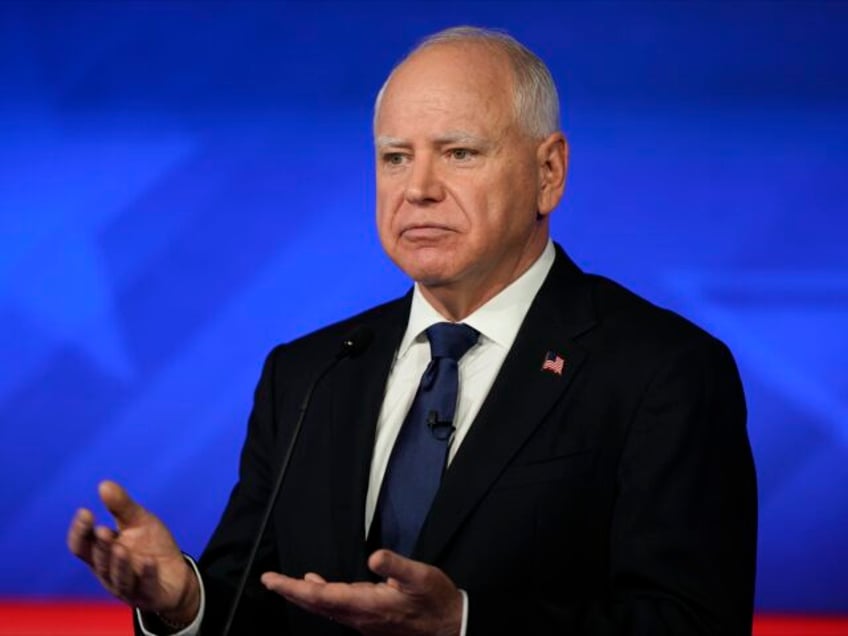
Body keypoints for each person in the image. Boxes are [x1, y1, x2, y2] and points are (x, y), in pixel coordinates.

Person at [67, 26, 757, 635]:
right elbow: (259, 606)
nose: (417, 188)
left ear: (549, 172)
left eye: (458, 153)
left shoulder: (662, 371)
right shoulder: (308, 374)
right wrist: (185, 603)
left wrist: (463, 626)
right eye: (395, 157)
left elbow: (694, 622)